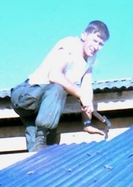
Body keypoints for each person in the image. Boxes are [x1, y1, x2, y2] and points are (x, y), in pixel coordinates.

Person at [10, 20, 110, 152]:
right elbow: (55, 75)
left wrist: (87, 123)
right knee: (59, 87)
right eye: (95, 40)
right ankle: (41, 138)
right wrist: (80, 94)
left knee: (40, 154)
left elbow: (86, 90)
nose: (96, 46)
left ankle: (39, 148)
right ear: (84, 36)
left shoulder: (91, 59)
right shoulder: (70, 44)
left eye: (101, 44)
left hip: (42, 107)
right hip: (26, 96)